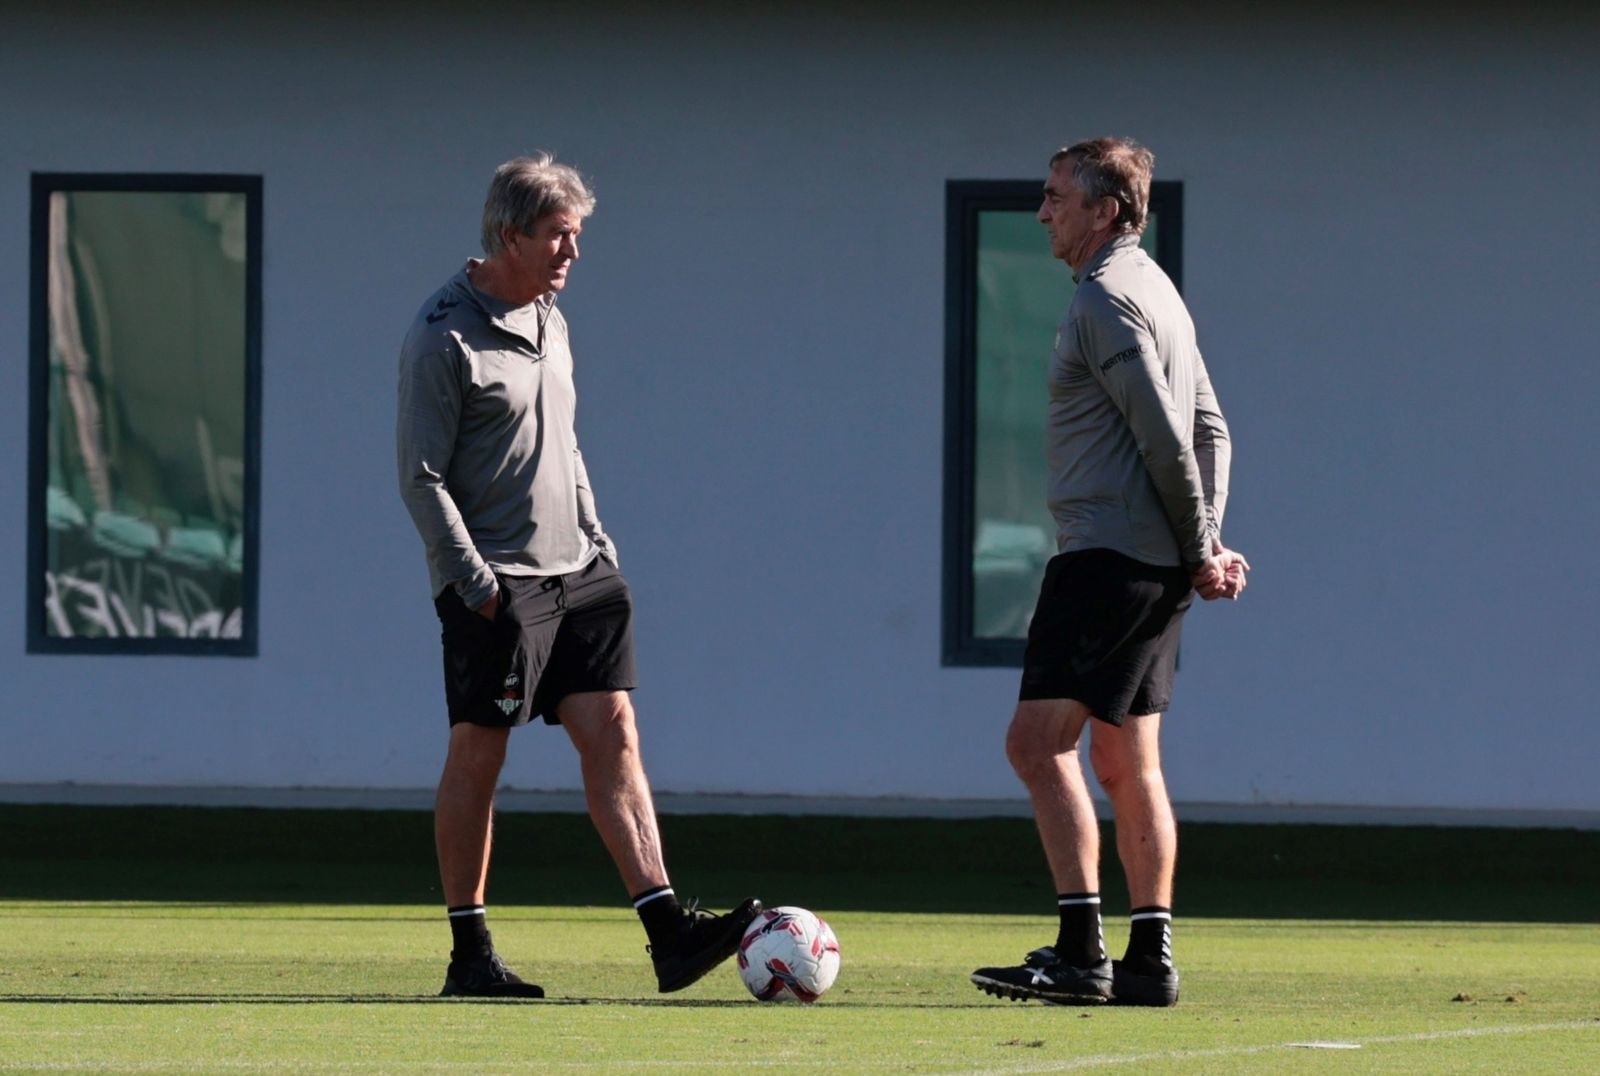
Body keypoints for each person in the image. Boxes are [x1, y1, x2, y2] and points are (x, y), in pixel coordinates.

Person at [397, 153, 760, 999]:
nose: (573, 251)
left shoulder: (551, 318)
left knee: (616, 732)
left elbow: (563, 442)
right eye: (560, 235)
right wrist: (477, 585)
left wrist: (598, 540)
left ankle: (669, 935)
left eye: (576, 234)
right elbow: (420, 477)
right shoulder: (443, 335)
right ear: (510, 234)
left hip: (582, 573)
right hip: (497, 582)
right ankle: (469, 955)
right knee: (479, 753)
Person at [971, 138, 1249, 1008]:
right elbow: (1212, 431)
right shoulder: (1157, 288)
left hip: (1107, 560)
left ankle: (1080, 952)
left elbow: (1169, 437)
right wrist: (1204, 545)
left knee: (1035, 744)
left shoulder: (1106, 299)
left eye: (1057, 197)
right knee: (1128, 764)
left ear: (1106, 211)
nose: (1042, 213)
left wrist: (1202, 548)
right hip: (1153, 565)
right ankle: (1149, 961)